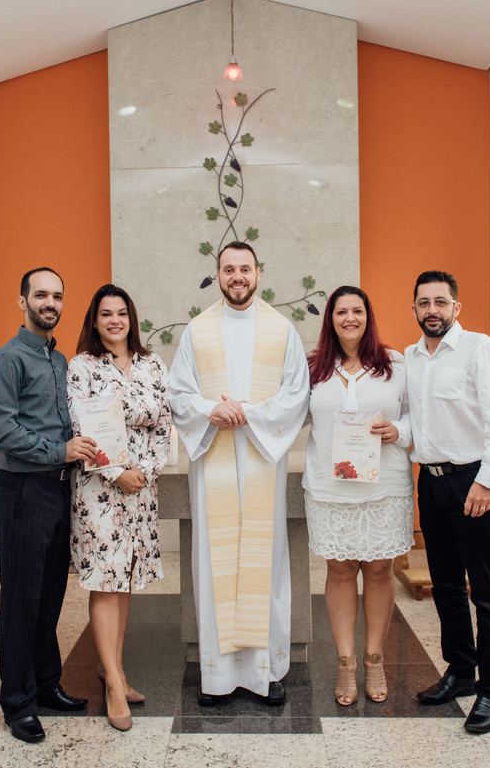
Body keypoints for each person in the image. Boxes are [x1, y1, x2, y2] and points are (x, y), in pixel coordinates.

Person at [168, 241, 310, 706]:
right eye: (228, 269)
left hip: (262, 459)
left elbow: (297, 394)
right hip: (214, 460)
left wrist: (249, 413)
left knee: (263, 565)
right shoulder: (198, 330)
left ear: (258, 273)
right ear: (218, 275)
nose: (237, 277)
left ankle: (264, 674)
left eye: (244, 269)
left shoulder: (281, 329)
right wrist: (211, 410)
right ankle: (217, 677)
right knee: (216, 565)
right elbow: (178, 393)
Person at [0, 267, 96, 744]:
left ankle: (46, 684)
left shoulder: (60, 360)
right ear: (22, 301)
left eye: (57, 296)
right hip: (23, 491)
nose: (50, 303)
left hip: (59, 490)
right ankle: (17, 702)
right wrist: (59, 451)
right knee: (22, 600)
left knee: (50, 595)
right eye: (41, 294)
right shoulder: (6, 362)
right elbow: (0, 430)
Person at [406, 270, 490, 735]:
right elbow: (419, 422)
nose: (432, 310)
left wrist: (487, 482)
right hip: (431, 483)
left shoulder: (480, 350)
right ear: (414, 309)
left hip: (474, 483)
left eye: (440, 301)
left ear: (456, 307)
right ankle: (460, 671)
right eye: (424, 302)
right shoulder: (412, 358)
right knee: (446, 585)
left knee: (487, 591)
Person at [66, 284, 171, 732]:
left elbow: (163, 424)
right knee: (106, 582)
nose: (114, 321)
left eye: (121, 313)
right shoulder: (82, 367)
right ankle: (113, 684)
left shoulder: (152, 364)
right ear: (95, 320)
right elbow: (81, 426)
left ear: (132, 319)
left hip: (141, 490)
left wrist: (144, 471)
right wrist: (116, 473)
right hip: (100, 490)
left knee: (124, 578)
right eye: (106, 313)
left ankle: (114, 667)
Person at [303, 286, 413, 706]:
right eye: (341, 312)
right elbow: (288, 415)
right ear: (330, 319)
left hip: (384, 486)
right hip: (330, 488)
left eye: (357, 311)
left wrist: (398, 430)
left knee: (381, 570)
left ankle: (374, 658)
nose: (350, 318)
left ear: (368, 316)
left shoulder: (396, 365)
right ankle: (346, 663)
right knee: (340, 569)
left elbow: (417, 418)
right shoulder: (312, 367)